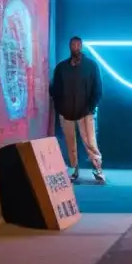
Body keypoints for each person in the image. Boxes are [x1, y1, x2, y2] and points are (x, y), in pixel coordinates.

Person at [50, 36, 106, 184]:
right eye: (72, 44)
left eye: (77, 44)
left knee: (90, 142)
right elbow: (55, 89)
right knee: (70, 142)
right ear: (70, 47)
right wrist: (60, 107)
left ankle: (98, 169)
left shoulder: (91, 66)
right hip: (66, 112)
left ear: (81, 46)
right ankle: (74, 170)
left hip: (86, 112)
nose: (75, 47)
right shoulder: (62, 68)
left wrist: (90, 107)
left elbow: (98, 89)